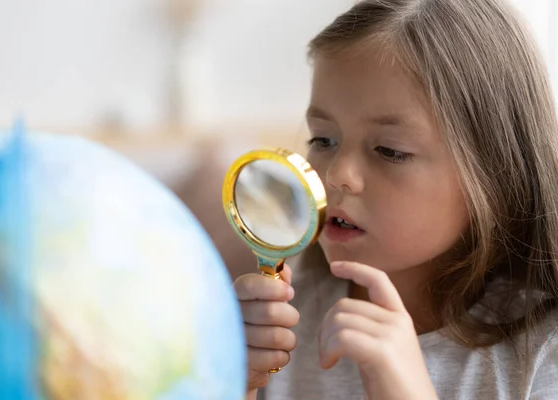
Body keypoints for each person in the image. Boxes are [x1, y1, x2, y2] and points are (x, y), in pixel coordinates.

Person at [233, 0, 558, 399]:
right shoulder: (285, 315)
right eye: (323, 139)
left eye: (389, 150)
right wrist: (233, 380)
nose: (337, 175)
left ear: (493, 172)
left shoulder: (543, 351)